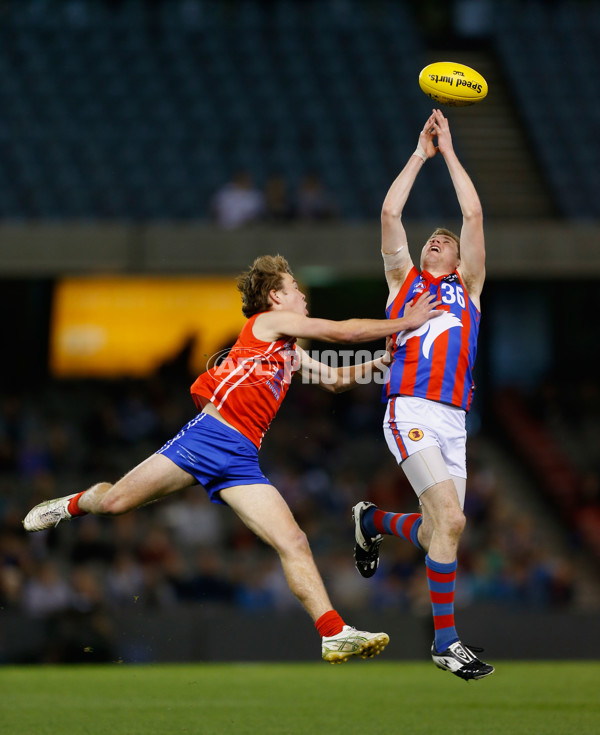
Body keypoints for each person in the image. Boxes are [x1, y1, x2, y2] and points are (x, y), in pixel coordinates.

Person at [23, 254, 440, 664]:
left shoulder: (290, 352)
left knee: (293, 540)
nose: (303, 297)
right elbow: (341, 334)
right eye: (296, 289)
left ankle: (334, 634)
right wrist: (407, 321)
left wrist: (386, 361)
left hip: (241, 458)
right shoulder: (267, 323)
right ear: (276, 296)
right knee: (114, 503)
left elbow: (334, 380)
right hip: (208, 437)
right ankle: (68, 505)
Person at [352, 109, 494, 680]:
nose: (437, 241)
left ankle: (372, 521)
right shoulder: (403, 282)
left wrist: (452, 151)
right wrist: (421, 153)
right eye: (432, 239)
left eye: (446, 242)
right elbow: (390, 212)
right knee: (453, 522)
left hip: (455, 419)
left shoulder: (471, 291)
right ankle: (446, 641)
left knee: (441, 528)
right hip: (408, 407)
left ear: (460, 262)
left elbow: (474, 212)